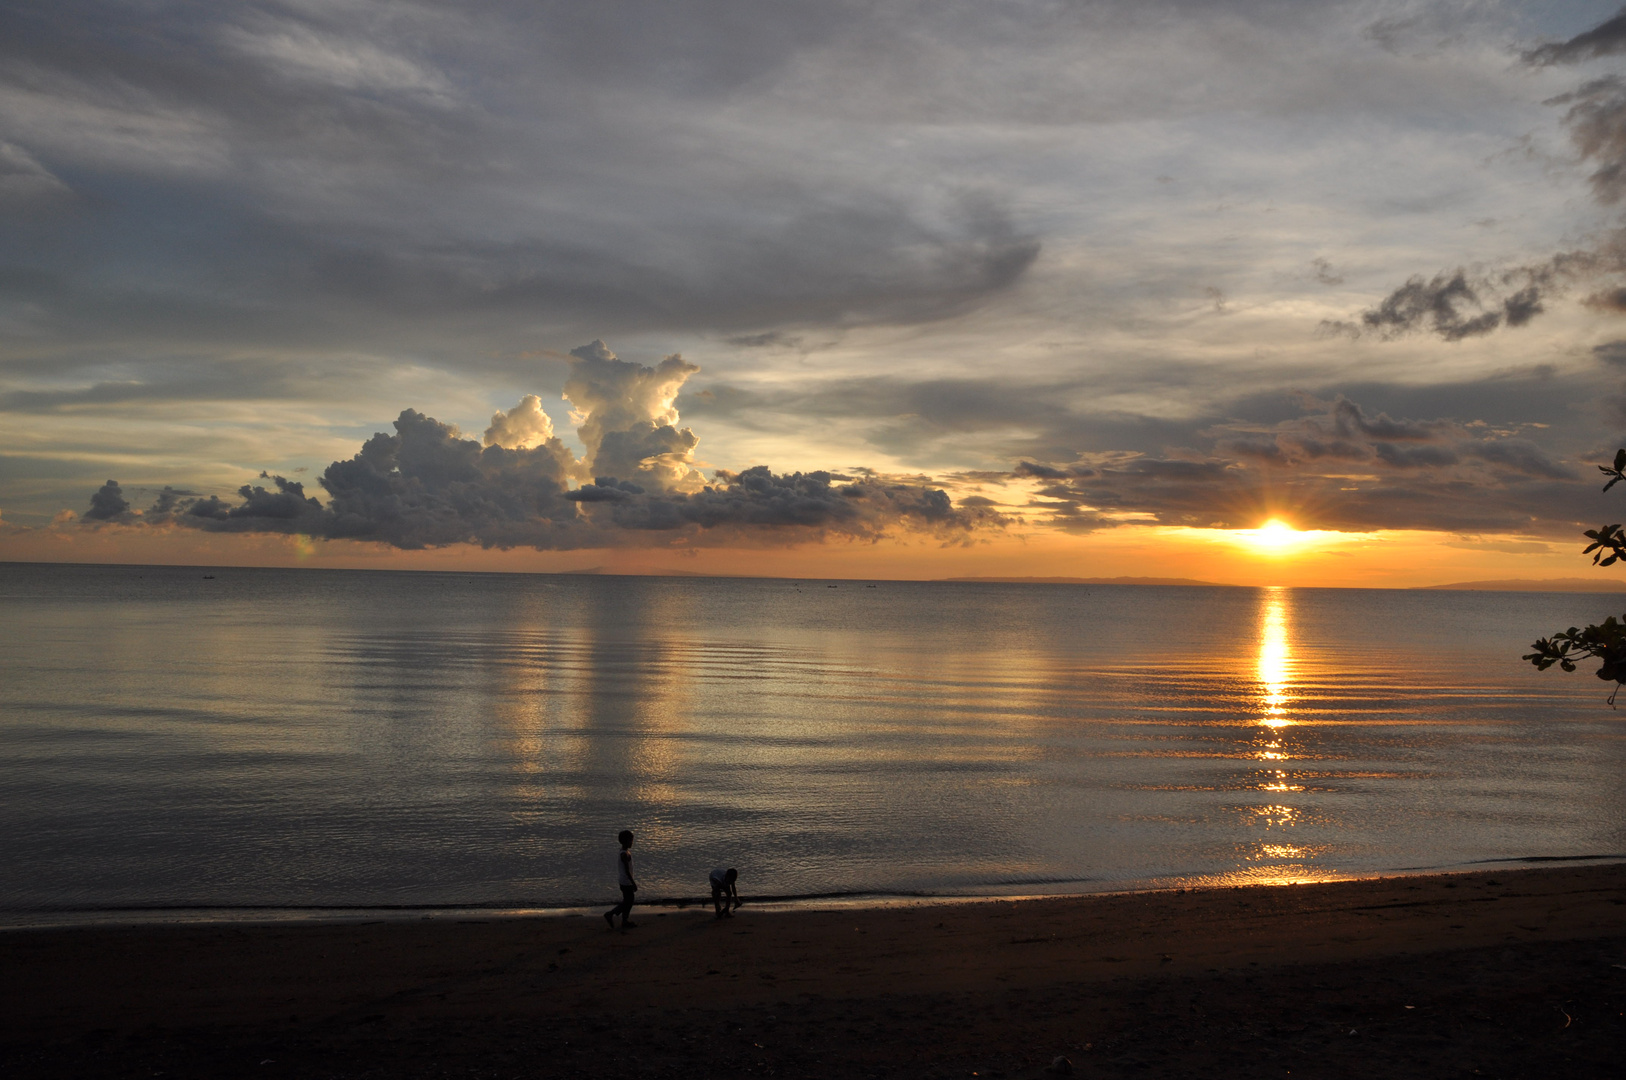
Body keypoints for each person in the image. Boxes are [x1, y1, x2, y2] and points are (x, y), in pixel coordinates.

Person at [604, 830, 637, 930]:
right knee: (628, 902)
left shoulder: (624, 852)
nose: (632, 842)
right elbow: (627, 871)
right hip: (626, 882)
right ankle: (611, 914)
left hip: (624, 881)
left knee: (628, 901)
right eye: (631, 840)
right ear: (626, 841)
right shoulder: (624, 854)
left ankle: (624, 920)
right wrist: (633, 883)